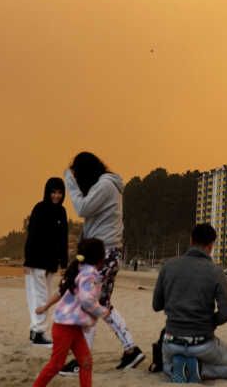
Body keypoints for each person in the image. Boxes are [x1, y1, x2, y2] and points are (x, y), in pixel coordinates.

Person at [62, 152, 144, 373]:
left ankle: (83, 360)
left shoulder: (105, 185)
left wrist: (68, 180)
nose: (77, 180)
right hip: (105, 252)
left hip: (103, 254)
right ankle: (131, 350)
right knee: (102, 304)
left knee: (89, 304)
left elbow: (81, 209)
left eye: (78, 176)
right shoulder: (108, 185)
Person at [151, 223, 227, 381]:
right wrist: (209, 322)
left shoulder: (168, 266)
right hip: (202, 343)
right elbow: (226, 313)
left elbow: (156, 305)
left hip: (172, 342)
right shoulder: (216, 272)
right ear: (211, 245)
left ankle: (178, 367)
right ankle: (199, 368)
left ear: (191, 240)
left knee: (165, 366)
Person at [31, 238, 109, 387]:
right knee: (56, 364)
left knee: (86, 362)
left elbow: (61, 291)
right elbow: (87, 300)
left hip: (73, 327)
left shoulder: (79, 269)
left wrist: (45, 307)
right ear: (100, 257)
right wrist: (103, 312)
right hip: (65, 328)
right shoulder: (89, 275)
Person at [24, 176, 69, 347]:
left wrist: (64, 264)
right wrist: (28, 260)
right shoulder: (39, 208)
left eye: (59, 193)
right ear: (47, 192)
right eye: (53, 192)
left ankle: (36, 330)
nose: (56, 196)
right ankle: (38, 332)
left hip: (51, 263)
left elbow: (63, 239)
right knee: (38, 296)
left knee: (44, 296)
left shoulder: (62, 212)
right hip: (36, 262)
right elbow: (32, 235)